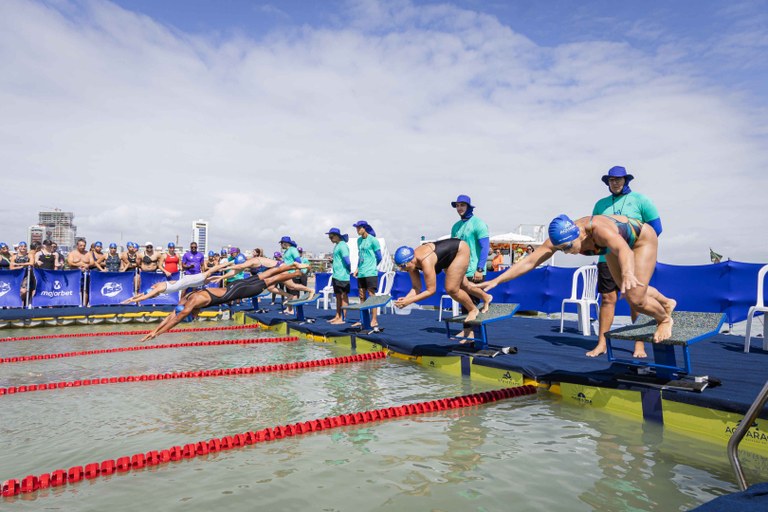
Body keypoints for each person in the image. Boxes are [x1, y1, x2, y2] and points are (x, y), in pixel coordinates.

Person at [480, 214, 676, 343]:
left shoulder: (599, 230)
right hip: (613, 247)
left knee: (634, 297)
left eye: (568, 247)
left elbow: (623, 249)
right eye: (561, 249)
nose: (567, 252)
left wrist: (627, 272)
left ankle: (665, 319)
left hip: (641, 239)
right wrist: (498, 280)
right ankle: (667, 302)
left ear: (579, 234)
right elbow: (529, 262)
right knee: (628, 288)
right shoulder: (559, 240)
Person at [590, 165, 663, 358]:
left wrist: (637, 248)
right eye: (612, 180)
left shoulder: (641, 200)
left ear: (626, 180)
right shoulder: (600, 204)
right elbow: (594, 231)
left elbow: (656, 229)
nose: (615, 183)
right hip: (606, 256)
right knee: (607, 299)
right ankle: (602, 344)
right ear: (608, 182)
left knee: (635, 301)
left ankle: (639, 346)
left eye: (619, 179)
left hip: (634, 258)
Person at [140, 262, 309, 342]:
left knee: (272, 279)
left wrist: (158, 333)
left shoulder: (191, 304)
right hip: (235, 285)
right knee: (269, 272)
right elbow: (172, 315)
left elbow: (175, 320)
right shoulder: (186, 298)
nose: (197, 315)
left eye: (194, 316)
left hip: (240, 291)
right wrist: (155, 330)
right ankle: (295, 265)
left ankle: (296, 274)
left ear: (191, 312)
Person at [393, 240, 493, 333]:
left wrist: (409, 302)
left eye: (403, 266)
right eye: (400, 267)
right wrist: (405, 300)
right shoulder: (411, 264)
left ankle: (472, 309)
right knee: (464, 285)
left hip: (460, 250)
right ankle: (486, 297)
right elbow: (416, 287)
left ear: (411, 260)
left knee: (451, 289)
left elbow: (431, 290)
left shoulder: (425, 261)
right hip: (446, 257)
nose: (402, 269)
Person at [122, 260, 233, 304]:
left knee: (211, 273)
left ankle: (231, 262)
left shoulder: (158, 289)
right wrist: (131, 299)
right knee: (211, 275)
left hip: (190, 281)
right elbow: (144, 295)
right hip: (190, 281)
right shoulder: (157, 287)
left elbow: (144, 296)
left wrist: (131, 299)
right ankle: (228, 267)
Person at [450, 195, 490, 284]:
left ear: (468, 207)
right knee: (459, 297)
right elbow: (453, 250)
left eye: (462, 205)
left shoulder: (478, 223)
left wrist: (480, 269)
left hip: (475, 273)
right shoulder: (455, 226)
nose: (459, 208)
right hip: (460, 272)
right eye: (457, 205)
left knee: (473, 298)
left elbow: (485, 247)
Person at [352, 220, 382, 328]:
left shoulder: (374, 240)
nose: (357, 230)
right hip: (361, 273)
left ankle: (374, 320)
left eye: (359, 228)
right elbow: (361, 256)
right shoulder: (359, 241)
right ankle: (363, 320)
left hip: (371, 272)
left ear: (365, 228)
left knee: (372, 296)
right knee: (361, 296)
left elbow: (379, 257)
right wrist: (357, 269)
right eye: (356, 228)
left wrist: (373, 266)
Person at [325, 228, 351, 324]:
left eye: (331, 237)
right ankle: (337, 316)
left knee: (343, 296)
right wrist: (333, 261)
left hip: (343, 276)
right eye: (329, 237)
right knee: (338, 296)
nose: (330, 239)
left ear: (337, 236)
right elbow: (340, 259)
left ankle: (343, 318)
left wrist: (349, 270)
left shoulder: (343, 246)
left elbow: (347, 260)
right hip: (336, 275)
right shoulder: (337, 246)